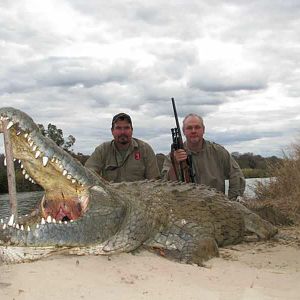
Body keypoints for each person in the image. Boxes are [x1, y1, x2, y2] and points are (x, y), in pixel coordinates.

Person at [162, 113, 245, 200]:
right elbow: (163, 185)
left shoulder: (218, 151)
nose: (193, 131)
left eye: (197, 127)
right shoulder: (172, 157)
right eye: (189, 128)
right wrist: (175, 164)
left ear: (203, 129)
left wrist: (232, 201)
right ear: (183, 131)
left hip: (216, 206)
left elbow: (236, 174)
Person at [85, 112, 160, 182]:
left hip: (139, 195)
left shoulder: (145, 149)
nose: (123, 132)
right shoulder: (102, 150)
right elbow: (87, 175)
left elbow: (154, 181)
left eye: (126, 128)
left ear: (132, 130)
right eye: (118, 128)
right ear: (112, 131)